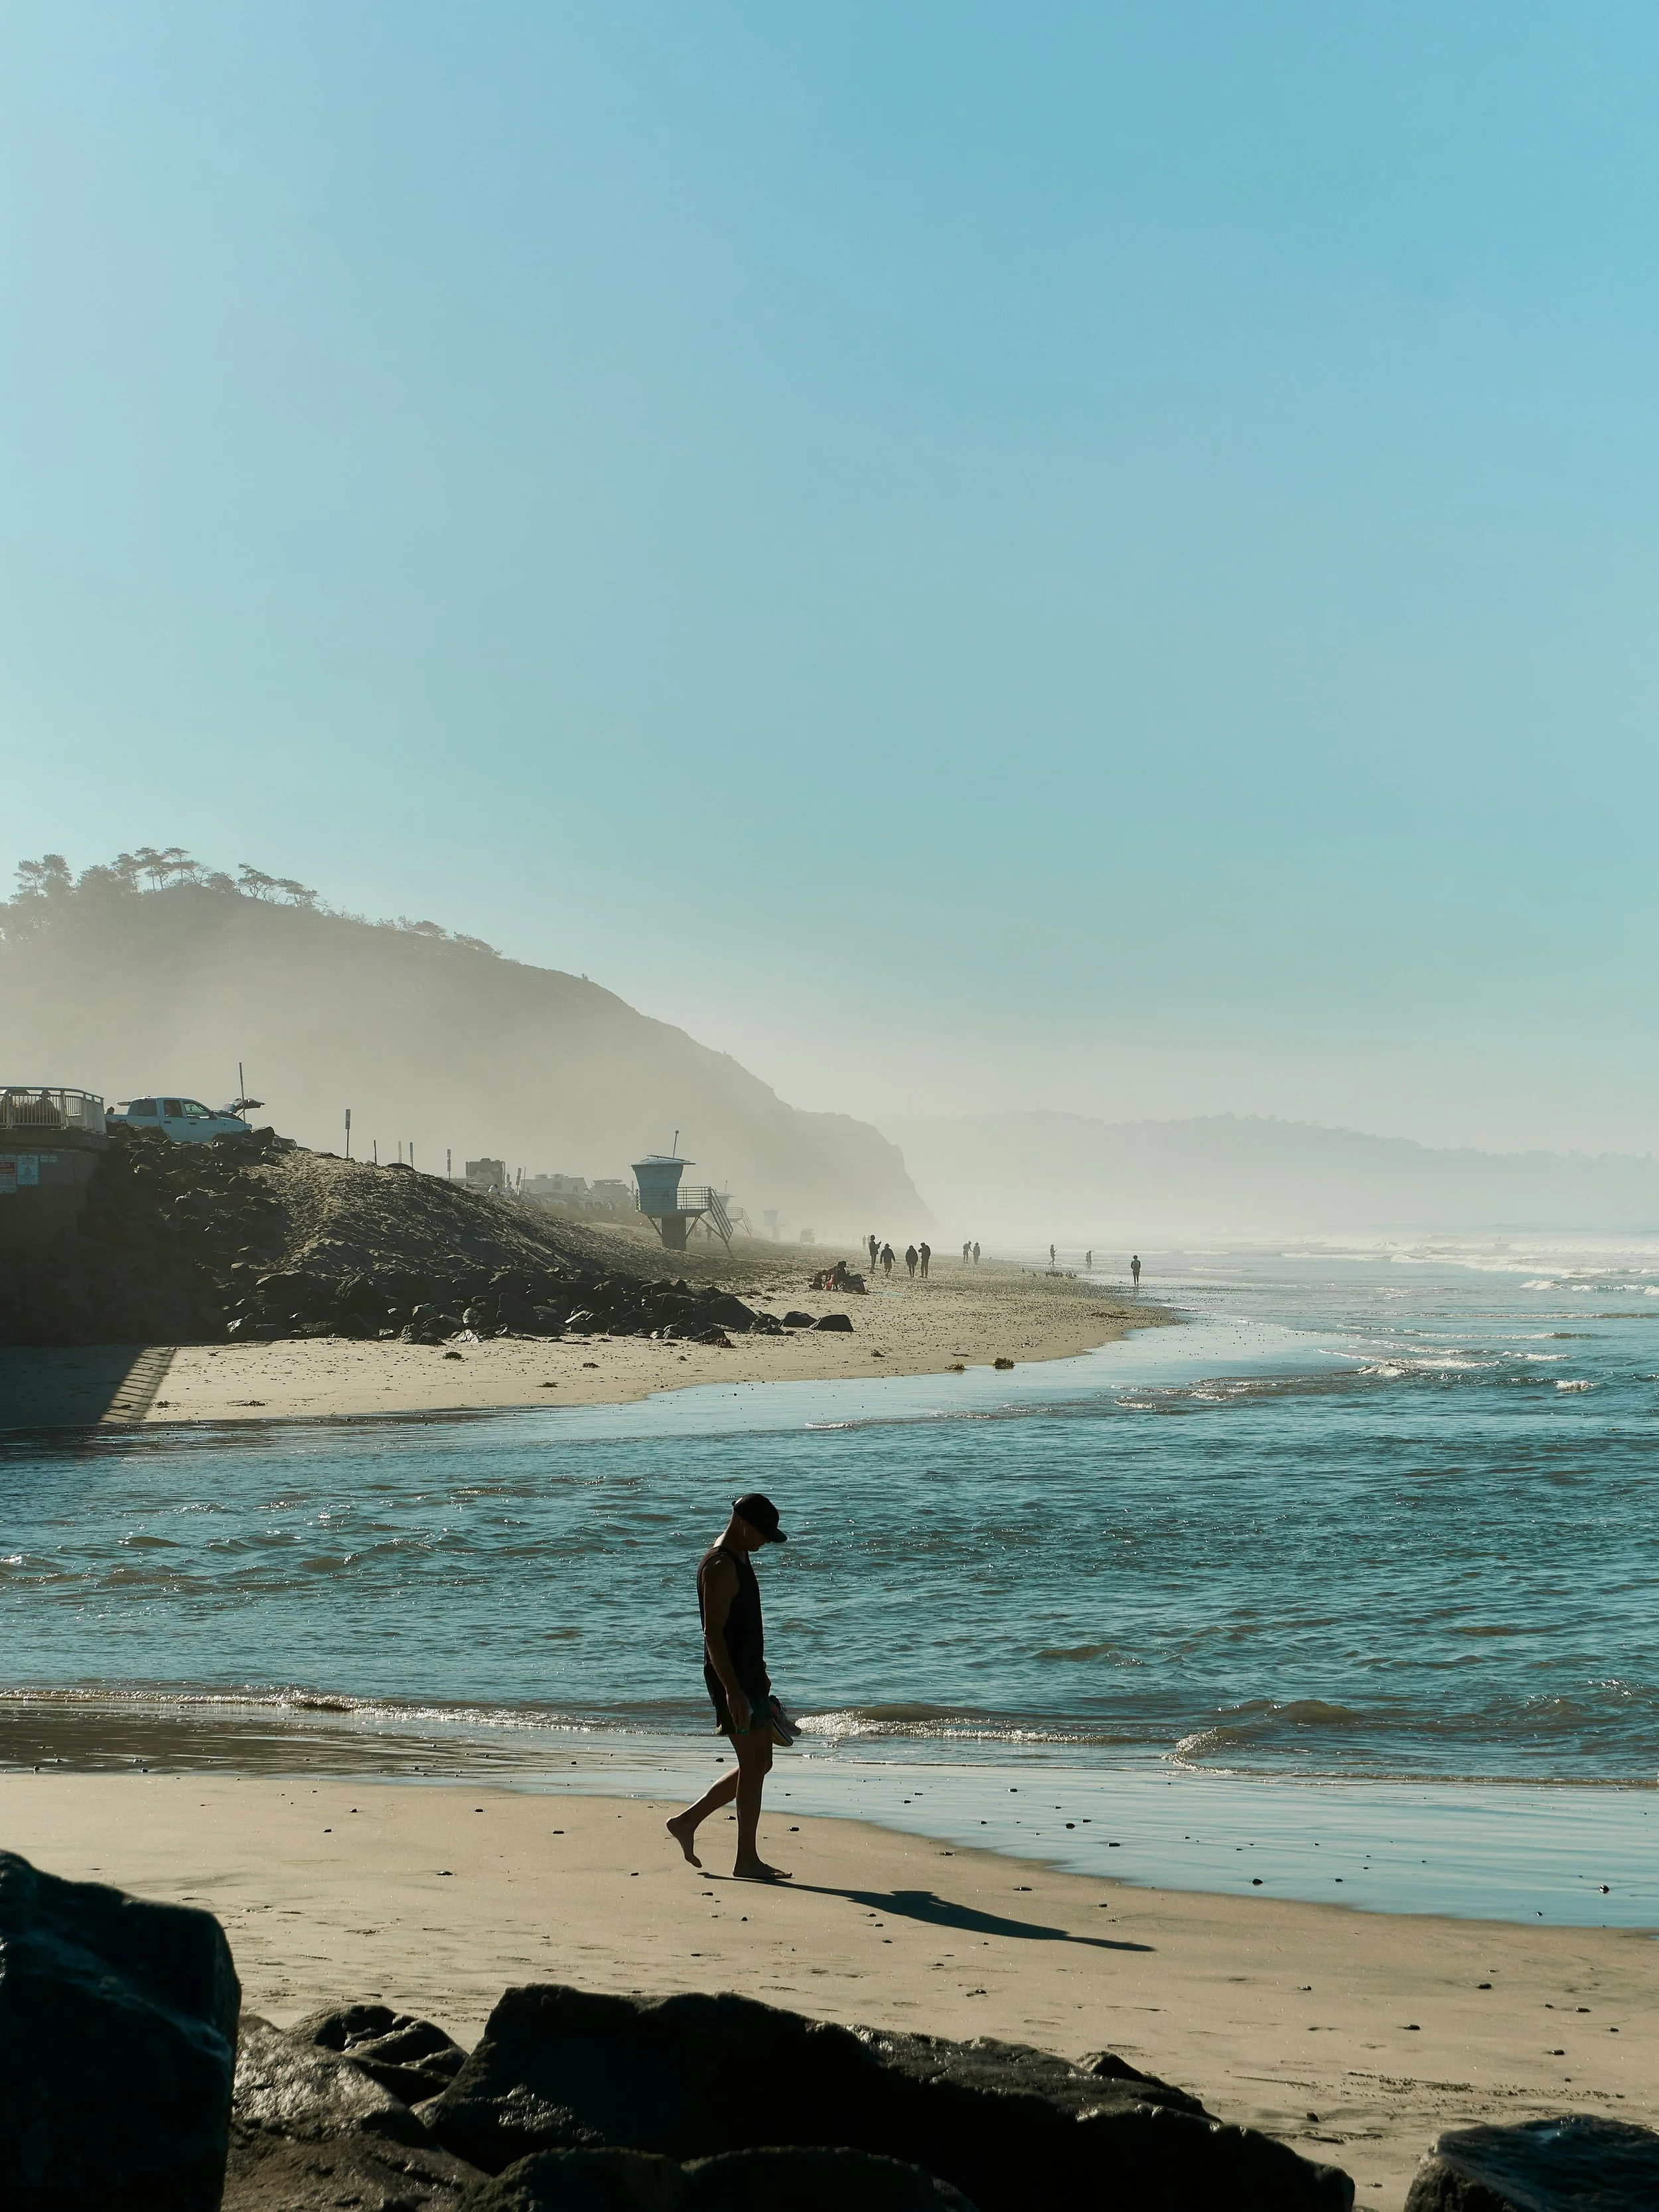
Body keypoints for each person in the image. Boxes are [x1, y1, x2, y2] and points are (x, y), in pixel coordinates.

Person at [668, 1493, 792, 1881]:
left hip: (748, 1675)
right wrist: (734, 1692)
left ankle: (687, 1822)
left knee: (761, 1763)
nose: (765, 1542)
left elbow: (744, 1628)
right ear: (741, 1522)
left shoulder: (740, 1555)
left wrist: (760, 1676)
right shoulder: (720, 1566)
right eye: (762, 1534)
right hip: (730, 1679)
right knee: (753, 1765)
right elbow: (713, 1636)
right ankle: (746, 1860)